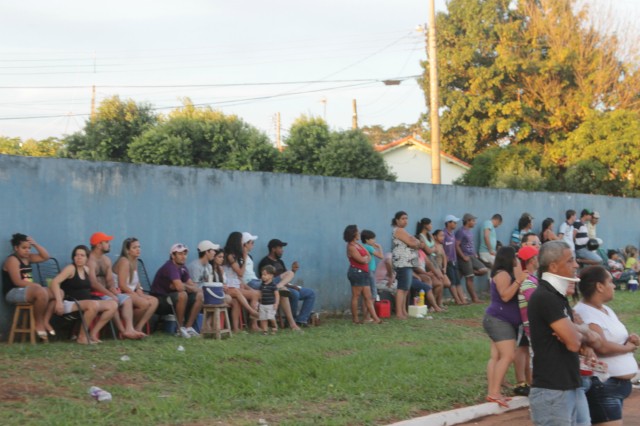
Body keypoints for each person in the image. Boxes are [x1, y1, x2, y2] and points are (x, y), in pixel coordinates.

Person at [527, 240, 598, 425]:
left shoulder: (558, 297)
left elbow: (578, 339)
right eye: (570, 261)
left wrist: (578, 332)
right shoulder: (545, 297)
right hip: (553, 390)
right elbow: (574, 343)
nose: (575, 265)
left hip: (569, 386)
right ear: (553, 266)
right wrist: (582, 335)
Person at [574, 266, 639, 425]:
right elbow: (601, 347)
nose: (614, 286)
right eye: (610, 281)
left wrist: (630, 340)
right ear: (599, 286)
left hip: (614, 387)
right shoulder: (585, 312)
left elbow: (613, 340)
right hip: (604, 385)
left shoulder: (606, 309)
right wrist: (629, 348)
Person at [483, 246, 527, 408]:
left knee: (496, 357)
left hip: (498, 319)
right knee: (508, 356)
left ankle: (493, 392)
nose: (517, 260)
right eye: (515, 257)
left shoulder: (506, 274)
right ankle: (494, 392)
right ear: (508, 258)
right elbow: (506, 296)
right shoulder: (502, 274)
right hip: (499, 320)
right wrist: (518, 280)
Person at [50, 245, 118, 344]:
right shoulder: (71, 268)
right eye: (77, 255)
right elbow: (55, 282)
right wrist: (59, 302)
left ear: (87, 258)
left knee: (113, 305)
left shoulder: (87, 269)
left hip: (86, 302)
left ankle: (93, 334)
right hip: (71, 302)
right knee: (93, 305)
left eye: (82, 255)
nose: (79, 257)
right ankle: (82, 337)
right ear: (73, 257)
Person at [88, 232, 144, 340]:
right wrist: (110, 293)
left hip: (106, 292)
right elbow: (93, 283)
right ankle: (122, 331)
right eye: (107, 242)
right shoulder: (90, 261)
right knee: (113, 301)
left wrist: (113, 288)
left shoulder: (106, 260)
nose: (109, 244)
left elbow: (109, 279)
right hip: (94, 294)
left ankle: (129, 329)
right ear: (99, 245)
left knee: (127, 299)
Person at [2, 233, 56, 340]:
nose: (27, 250)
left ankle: (45, 321)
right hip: (13, 292)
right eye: (24, 248)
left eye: (29, 248)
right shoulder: (12, 260)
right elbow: (17, 282)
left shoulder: (29, 258)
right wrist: (36, 286)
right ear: (16, 248)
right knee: (41, 292)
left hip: (29, 290)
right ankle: (38, 322)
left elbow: (46, 257)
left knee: (57, 293)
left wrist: (35, 244)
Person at [257, 239, 316, 327]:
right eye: (280, 248)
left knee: (311, 293)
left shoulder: (280, 262)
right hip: (275, 287)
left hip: (287, 286)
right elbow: (267, 279)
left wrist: (293, 271)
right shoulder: (265, 262)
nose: (282, 250)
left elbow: (286, 278)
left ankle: (301, 320)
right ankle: (291, 321)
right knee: (295, 294)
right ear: (273, 249)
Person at [150, 243, 204, 338]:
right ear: (173, 256)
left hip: (172, 299)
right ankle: (179, 329)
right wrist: (184, 286)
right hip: (160, 301)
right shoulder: (170, 266)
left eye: (185, 254)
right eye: (180, 254)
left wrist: (184, 285)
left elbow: (193, 286)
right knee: (182, 295)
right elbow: (180, 288)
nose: (183, 257)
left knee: (199, 295)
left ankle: (188, 328)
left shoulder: (183, 268)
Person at [112, 237, 159, 334]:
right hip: (121, 292)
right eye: (134, 247)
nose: (138, 249)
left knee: (154, 301)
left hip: (131, 292)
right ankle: (130, 327)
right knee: (144, 304)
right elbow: (122, 285)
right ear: (127, 250)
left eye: (139, 247)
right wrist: (138, 296)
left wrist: (139, 290)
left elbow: (136, 282)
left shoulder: (135, 261)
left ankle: (139, 327)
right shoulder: (124, 261)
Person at [209, 247, 257, 332]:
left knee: (235, 301)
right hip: (213, 293)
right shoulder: (210, 268)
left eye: (223, 257)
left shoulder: (220, 269)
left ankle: (235, 328)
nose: (222, 259)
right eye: (219, 257)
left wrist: (224, 286)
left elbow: (224, 282)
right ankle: (251, 311)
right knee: (235, 291)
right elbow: (209, 284)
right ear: (214, 257)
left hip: (222, 291)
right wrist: (222, 286)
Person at [514, 245, 540, 397]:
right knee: (532, 355)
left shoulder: (530, 278)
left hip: (528, 324)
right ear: (532, 260)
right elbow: (535, 302)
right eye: (536, 257)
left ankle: (528, 381)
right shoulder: (528, 280)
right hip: (530, 324)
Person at [391, 211, 427, 318]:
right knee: (402, 288)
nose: (405, 221)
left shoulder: (404, 231)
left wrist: (416, 243)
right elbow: (413, 243)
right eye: (402, 218)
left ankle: (403, 311)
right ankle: (399, 312)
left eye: (406, 218)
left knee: (406, 288)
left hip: (408, 262)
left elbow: (420, 244)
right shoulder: (399, 230)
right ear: (397, 220)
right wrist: (416, 243)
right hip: (402, 262)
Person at [223, 232, 261, 331]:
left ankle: (237, 328)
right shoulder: (229, 256)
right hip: (229, 286)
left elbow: (239, 277)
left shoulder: (235, 256)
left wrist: (246, 286)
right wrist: (244, 258)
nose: (242, 243)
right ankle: (252, 315)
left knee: (254, 294)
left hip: (236, 285)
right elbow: (240, 273)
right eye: (241, 241)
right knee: (254, 295)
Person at [343, 225, 381, 324]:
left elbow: (367, 256)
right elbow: (361, 260)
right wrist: (365, 259)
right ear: (353, 234)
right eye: (357, 232)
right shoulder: (351, 247)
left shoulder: (358, 245)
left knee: (368, 297)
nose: (359, 234)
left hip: (364, 272)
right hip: (356, 272)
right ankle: (355, 319)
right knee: (356, 295)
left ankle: (376, 319)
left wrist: (366, 258)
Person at [455, 213, 486, 303]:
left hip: (472, 256)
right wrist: (463, 256)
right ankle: (475, 298)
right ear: (468, 221)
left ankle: (467, 272)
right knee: (470, 278)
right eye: (473, 221)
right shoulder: (461, 231)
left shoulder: (469, 231)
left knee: (483, 270)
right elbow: (456, 245)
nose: (475, 223)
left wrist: (474, 253)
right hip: (465, 257)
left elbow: (470, 244)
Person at [416, 218, 447, 307]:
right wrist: (433, 249)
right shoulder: (421, 236)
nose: (431, 226)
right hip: (428, 261)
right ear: (425, 225)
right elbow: (429, 251)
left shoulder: (429, 235)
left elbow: (432, 249)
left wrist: (432, 249)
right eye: (430, 224)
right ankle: (432, 305)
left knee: (441, 281)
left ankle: (438, 303)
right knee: (438, 282)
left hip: (434, 261)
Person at [443, 214, 466, 305]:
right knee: (452, 281)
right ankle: (457, 300)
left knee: (457, 281)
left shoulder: (452, 234)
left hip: (454, 260)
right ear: (448, 223)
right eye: (454, 222)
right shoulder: (444, 234)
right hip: (448, 261)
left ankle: (462, 300)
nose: (456, 224)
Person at [258, 265, 280, 335]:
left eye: (265, 274)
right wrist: (258, 302)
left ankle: (274, 326)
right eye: (262, 274)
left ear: (271, 276)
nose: (263, 276)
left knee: (271, 317)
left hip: (271, 305)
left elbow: (277, 295)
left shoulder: (273, 285)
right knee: (263, 318)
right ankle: (265, 331)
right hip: (263, 305)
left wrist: (276, 303)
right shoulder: (262, 285)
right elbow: (260, 294)